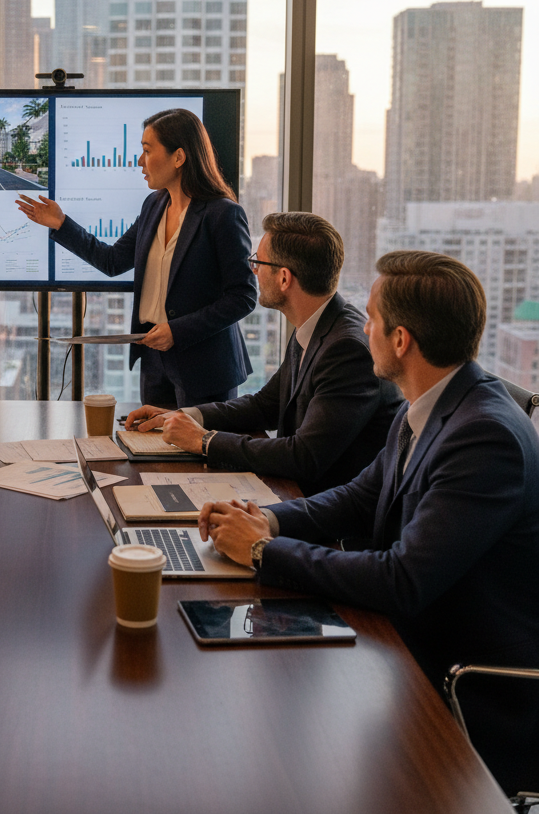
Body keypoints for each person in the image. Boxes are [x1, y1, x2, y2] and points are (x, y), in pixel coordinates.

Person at [198, 251, 539, 794]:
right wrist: (265, 520)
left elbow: (403, 581)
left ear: (401, 341)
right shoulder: (426, 404)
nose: (364, 329)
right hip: (407, 641)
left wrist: (264, 552)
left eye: (373, 321)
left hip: (465, 679)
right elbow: (360, 499)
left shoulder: (485, 438)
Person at [126, 212, 401, 493]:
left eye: (257, 262)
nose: (253, 271)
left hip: (325, 515)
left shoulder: (347, 349)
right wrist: (187, 415)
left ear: (284, 278)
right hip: (299, 495)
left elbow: (305, 457)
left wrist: (204, 441)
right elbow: (265, 406)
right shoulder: (316, 324)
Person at [16, 108, 256, 406]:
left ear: (179, 157)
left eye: (146, 150)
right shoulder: (153, 206)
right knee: (152, 450)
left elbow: (243, 296)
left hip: (204, 368)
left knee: (195, 451)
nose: (140, 161)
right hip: (154, 362)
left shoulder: (223, 214)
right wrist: (62, 224)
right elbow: (113, 260)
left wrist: (177, 332)